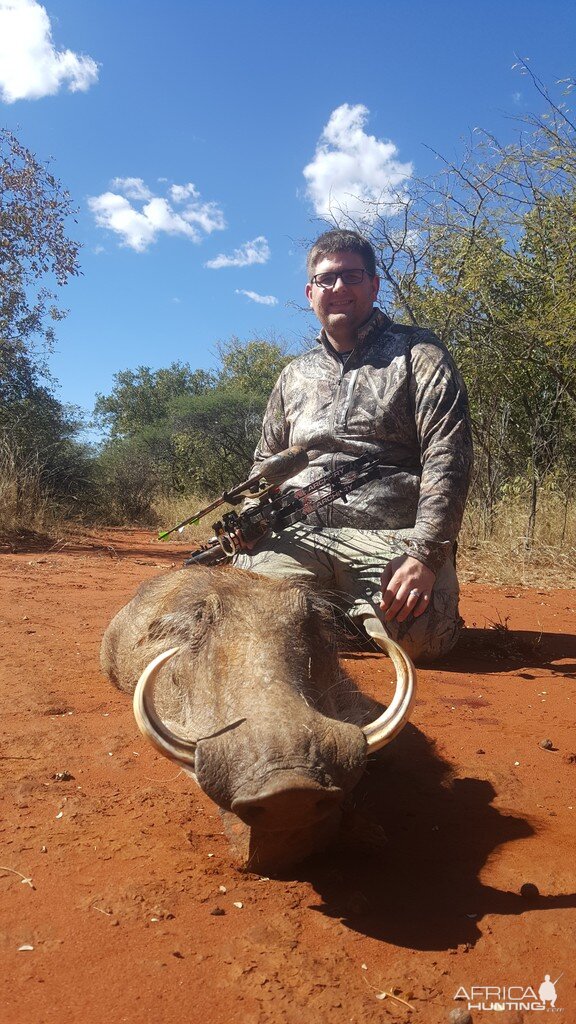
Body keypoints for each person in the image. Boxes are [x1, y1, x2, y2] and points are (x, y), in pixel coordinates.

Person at [234, 229, 473, 662]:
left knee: (422, 640)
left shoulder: (419, 352)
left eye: (352, 276)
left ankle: (331, 613)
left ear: (375, 285)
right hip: (298, 535)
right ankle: (340, 612)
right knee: (241, 619)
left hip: (389, 536)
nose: (338, 288)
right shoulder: (293, 375)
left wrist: (425, 554)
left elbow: (447, 455)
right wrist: (253, 517)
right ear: (311, 293)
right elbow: (265, 463)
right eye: (326, 280)